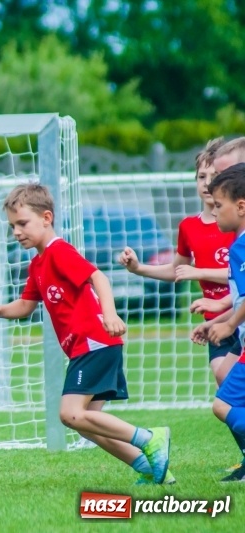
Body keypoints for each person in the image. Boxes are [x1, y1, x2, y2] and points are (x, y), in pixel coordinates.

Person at [0, 183, 173, 485]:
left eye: (22, 223)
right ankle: (150, 468)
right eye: (12, 226)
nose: (16, 232)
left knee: (70, 414)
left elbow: (98, 277)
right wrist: (0, 310)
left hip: (94, 342)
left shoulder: (59, 252)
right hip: (89, 347)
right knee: (86, 424)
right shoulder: (38, 263)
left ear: (46, 218)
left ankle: (150, 438)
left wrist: (110, 315)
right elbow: (27, 305)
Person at [119, 139, 239, 386]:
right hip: (213, 319)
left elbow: (235, 273)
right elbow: (178, 270)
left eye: (215, 176)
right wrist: (138, 268)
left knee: (231, 381)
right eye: (202, 177)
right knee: (223, 378)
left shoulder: (236, 224)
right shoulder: (188, 226)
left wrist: (199, 272)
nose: (207, 183)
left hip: (237, 314)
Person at [191, 163, 245, 482]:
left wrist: (228, 326)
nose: (214, 211)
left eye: (219, 205)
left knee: (224, 404)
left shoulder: (240, 247)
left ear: (241, 207)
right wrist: (220, 320)